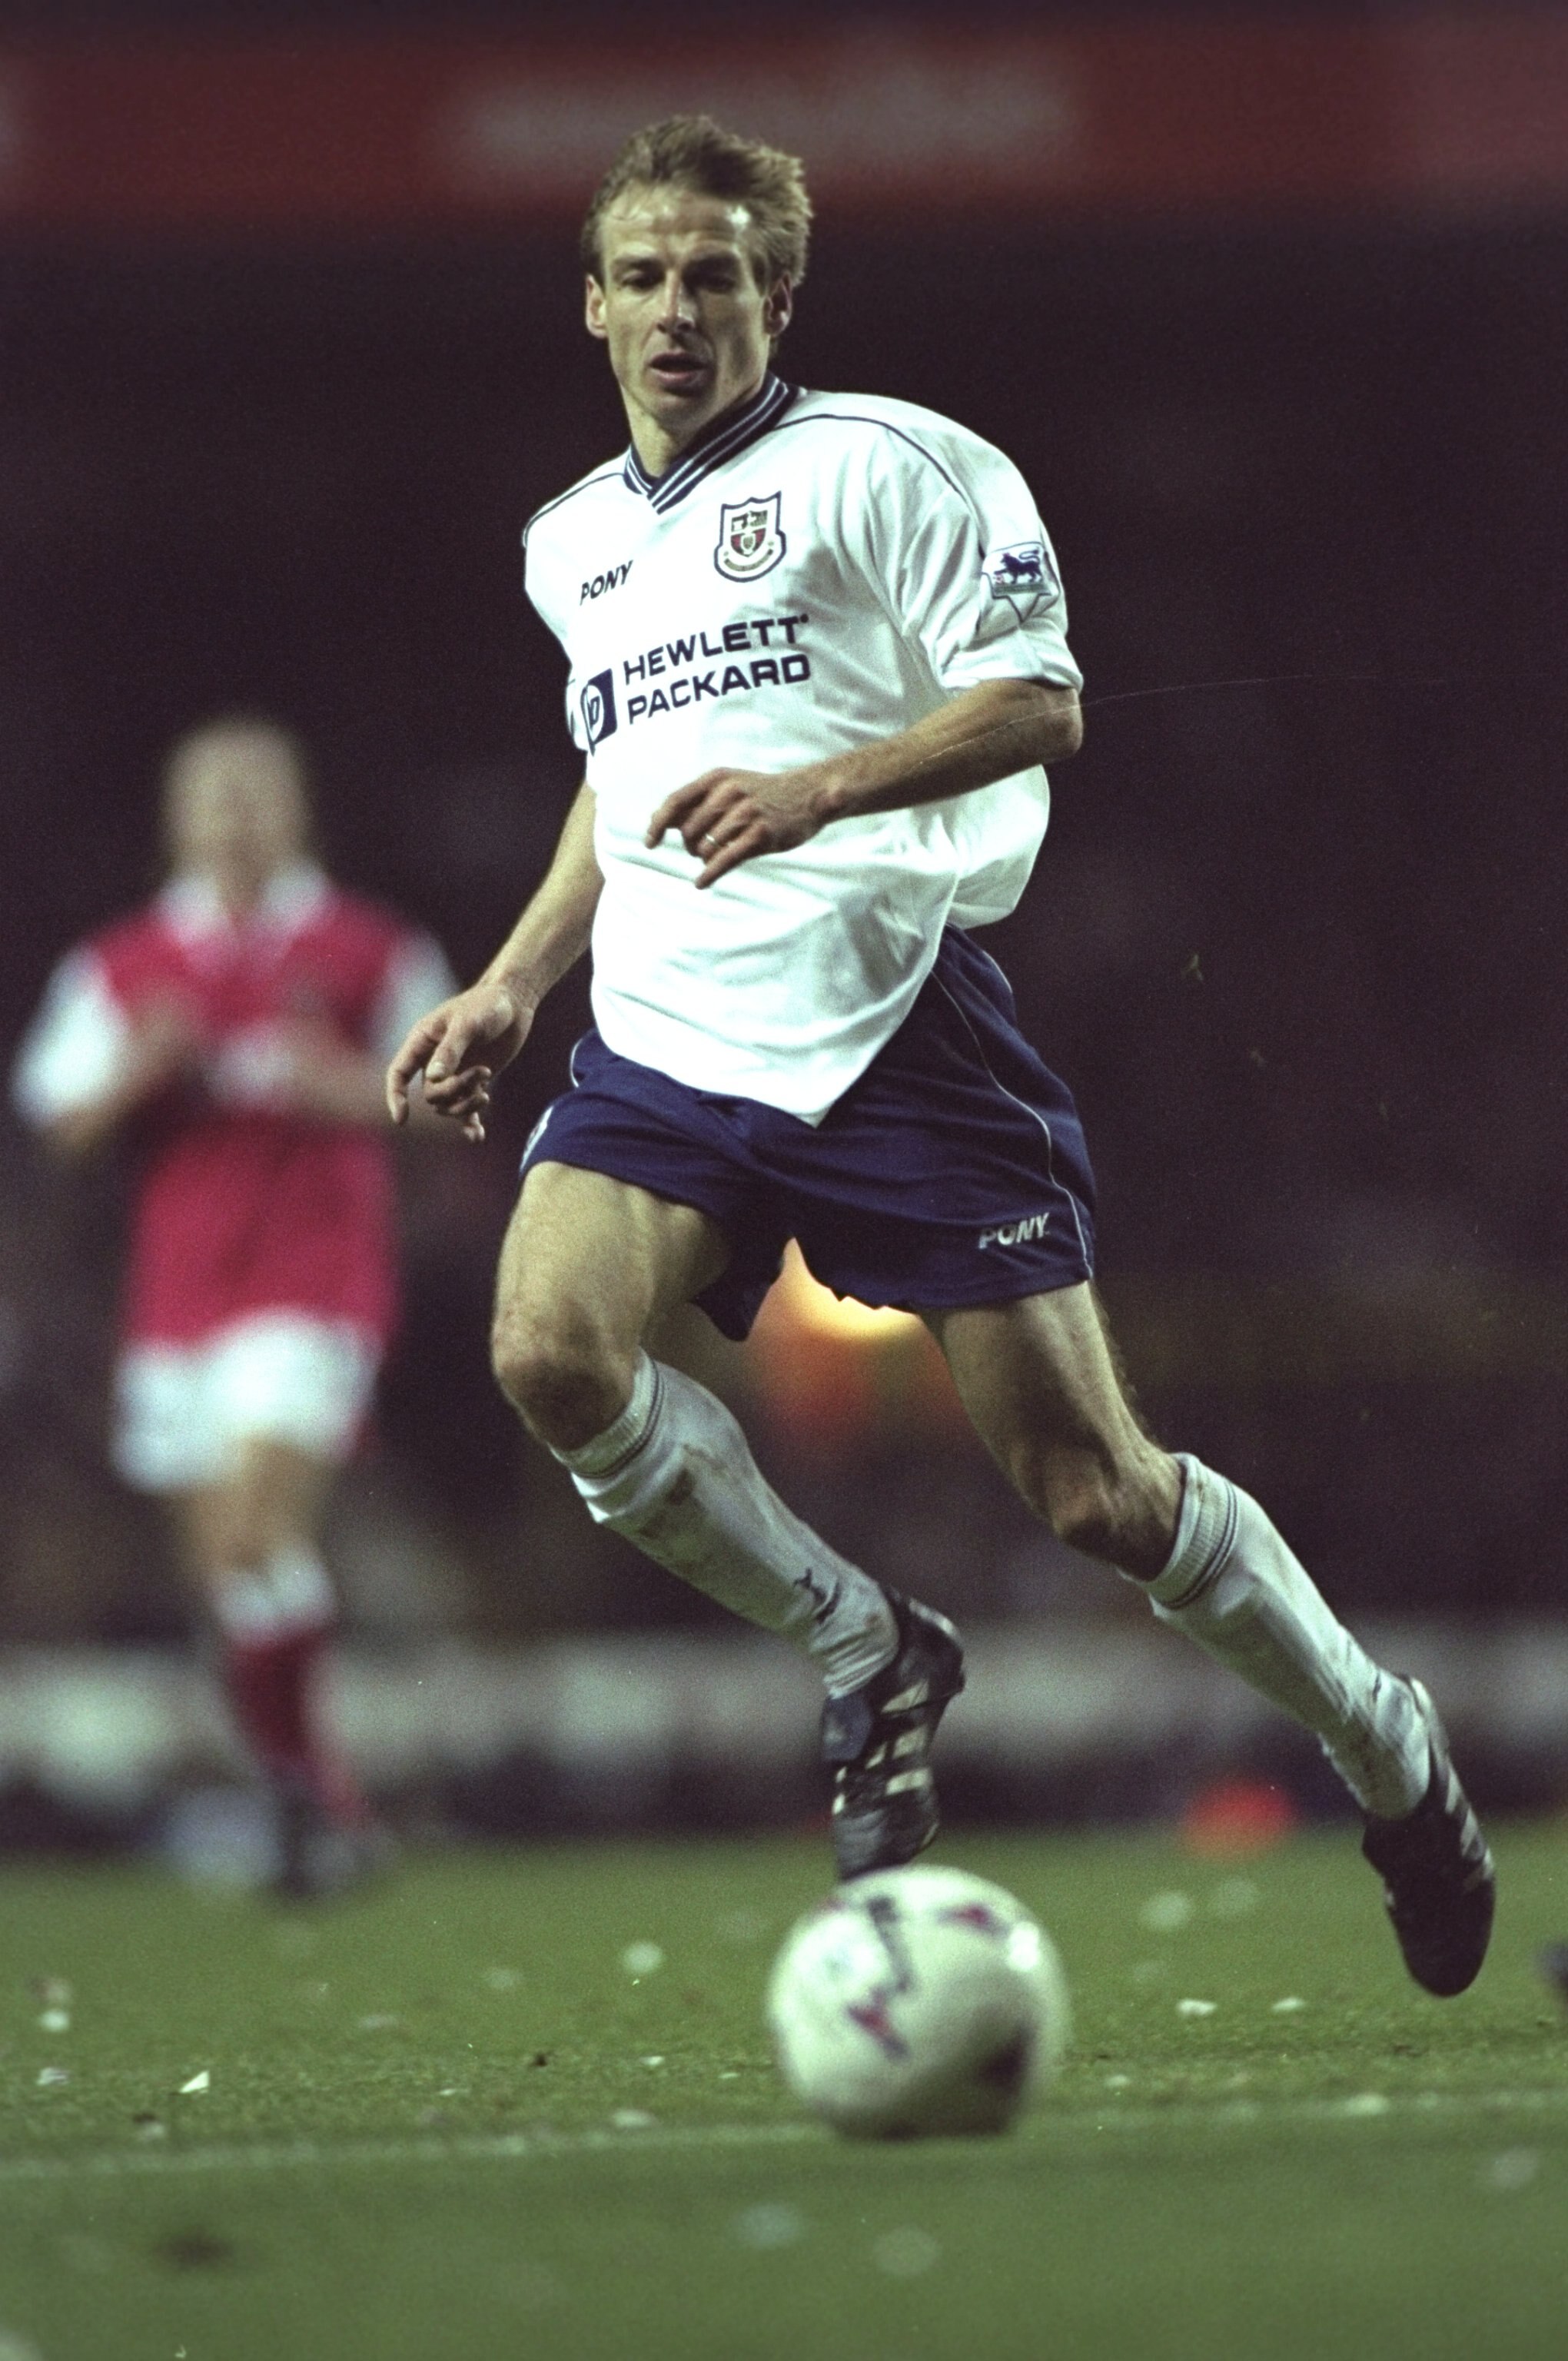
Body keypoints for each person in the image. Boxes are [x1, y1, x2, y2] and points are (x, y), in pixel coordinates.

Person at [387, 115, 1494, 1994]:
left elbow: (1041, 701)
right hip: (664, 1035)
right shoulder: (570, 544)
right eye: (643, 277)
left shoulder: (891, 464)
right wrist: (512, 983)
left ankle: (1383, 1743)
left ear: (777, 295)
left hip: (890, 1015)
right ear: (592, 304)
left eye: (715, 276)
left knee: (1097, 1496)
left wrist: (822, 788)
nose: (677, 310)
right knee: (546, 1352)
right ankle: (865, 1645)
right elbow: (619, 774)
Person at [15, 716, 456, 1895]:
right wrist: (141, 1068)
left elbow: (451, 1096)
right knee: (231, 1578)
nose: (236, 812)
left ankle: (309, 1803)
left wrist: (346, 1087)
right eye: (213, 792)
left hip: (316, 1279)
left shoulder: (370, 948)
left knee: (260, 1536)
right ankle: (318, 1805)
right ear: (177, 817)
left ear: (298, 806)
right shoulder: (122, 964)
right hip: (176, 1300)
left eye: (258, 789)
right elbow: (56, 1122)